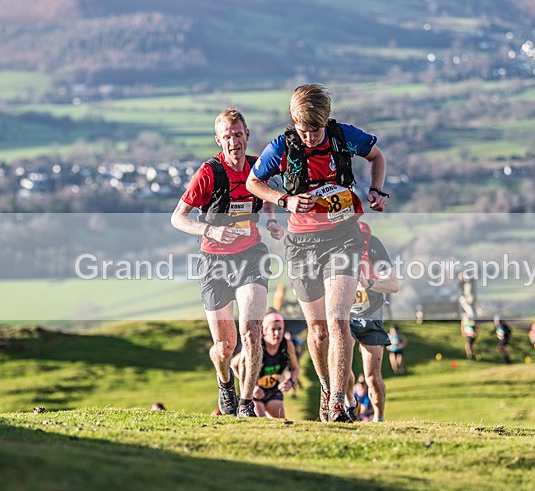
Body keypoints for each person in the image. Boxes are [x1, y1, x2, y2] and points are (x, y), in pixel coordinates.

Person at [247, 84, 388, 423]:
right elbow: (254, 182)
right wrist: (285, 200)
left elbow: (376, 156)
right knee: (319, 330)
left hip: (343, 238)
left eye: (315, 129)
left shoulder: (342, 136)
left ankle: (339, 403)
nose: (309, 137)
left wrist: (376, 190)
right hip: (301, 245)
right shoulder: (282, 147)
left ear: (326, 120)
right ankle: (326, 388)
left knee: (339, 320)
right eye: (302, 129)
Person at [170, 107, 285, 418]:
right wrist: (210, 229)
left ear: (247, 135)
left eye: (238, 134)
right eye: (227, 137)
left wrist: (272, 222)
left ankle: (246, 404)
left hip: (251, 256)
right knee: (224, 346)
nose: (233, 141)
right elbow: (177, 218)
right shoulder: (209, 173)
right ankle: (225, 385)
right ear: (218, 140)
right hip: (214, 262)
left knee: (251, 333)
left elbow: (267, 198)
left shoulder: (258, 167)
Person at [342, 221, 399, 422]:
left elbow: (394, 284)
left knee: (372, 378)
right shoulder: (335, 244)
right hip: (345, 315)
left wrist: (370, 283)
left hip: (371, 315)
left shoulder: (374, 246)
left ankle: (379, 418)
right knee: (342, 366)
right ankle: (350, 402)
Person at [232, 312, 300, 418]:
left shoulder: (287, 345)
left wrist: (290, 381)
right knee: (259, 420)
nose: (277, 333)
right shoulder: (257, 345)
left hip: (273, 390)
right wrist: (251, 386)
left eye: (280, 329)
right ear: (265, 330)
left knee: (281, 423)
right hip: (254, 392)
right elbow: (234, 364)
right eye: (273, 329)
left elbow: (295, 369)